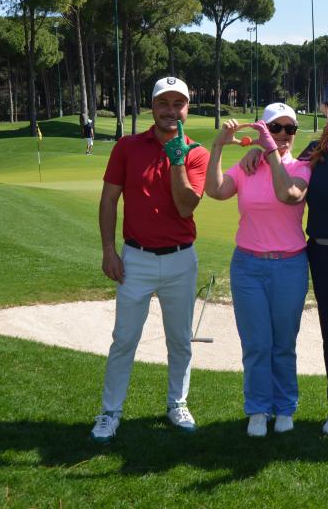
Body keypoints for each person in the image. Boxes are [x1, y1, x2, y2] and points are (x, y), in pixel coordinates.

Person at [239, 78, 328, 443]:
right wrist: (257, 153)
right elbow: (288, 177)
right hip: (321, 253)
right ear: (324, 109)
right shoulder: (313, 150)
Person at [90, 76, 209, 444]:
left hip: (180, 260)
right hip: (136, 259)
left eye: (178, 104)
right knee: (124, 339)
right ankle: (110, 411)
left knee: (180, 340)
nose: (171, 111)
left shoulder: (197, 153)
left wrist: (177, 160)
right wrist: (109, 250)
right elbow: (109, 200)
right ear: (152, 106)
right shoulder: (127, 147)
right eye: (163, 103)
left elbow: (186, 206)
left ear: (187, 109)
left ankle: (177, 403)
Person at [204, 103, 311, 438]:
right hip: (248, 266)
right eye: (275, 128)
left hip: (289, 265)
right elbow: (216, 191)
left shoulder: (302, 167)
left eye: (289, 129)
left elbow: (288, 193)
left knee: (283, 343)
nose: (283, 134)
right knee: (256, 344)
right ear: (264, 130)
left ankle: (285, 407)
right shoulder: (246, 166)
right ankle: (258, 409)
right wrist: (218, 146)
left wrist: (269, 152)